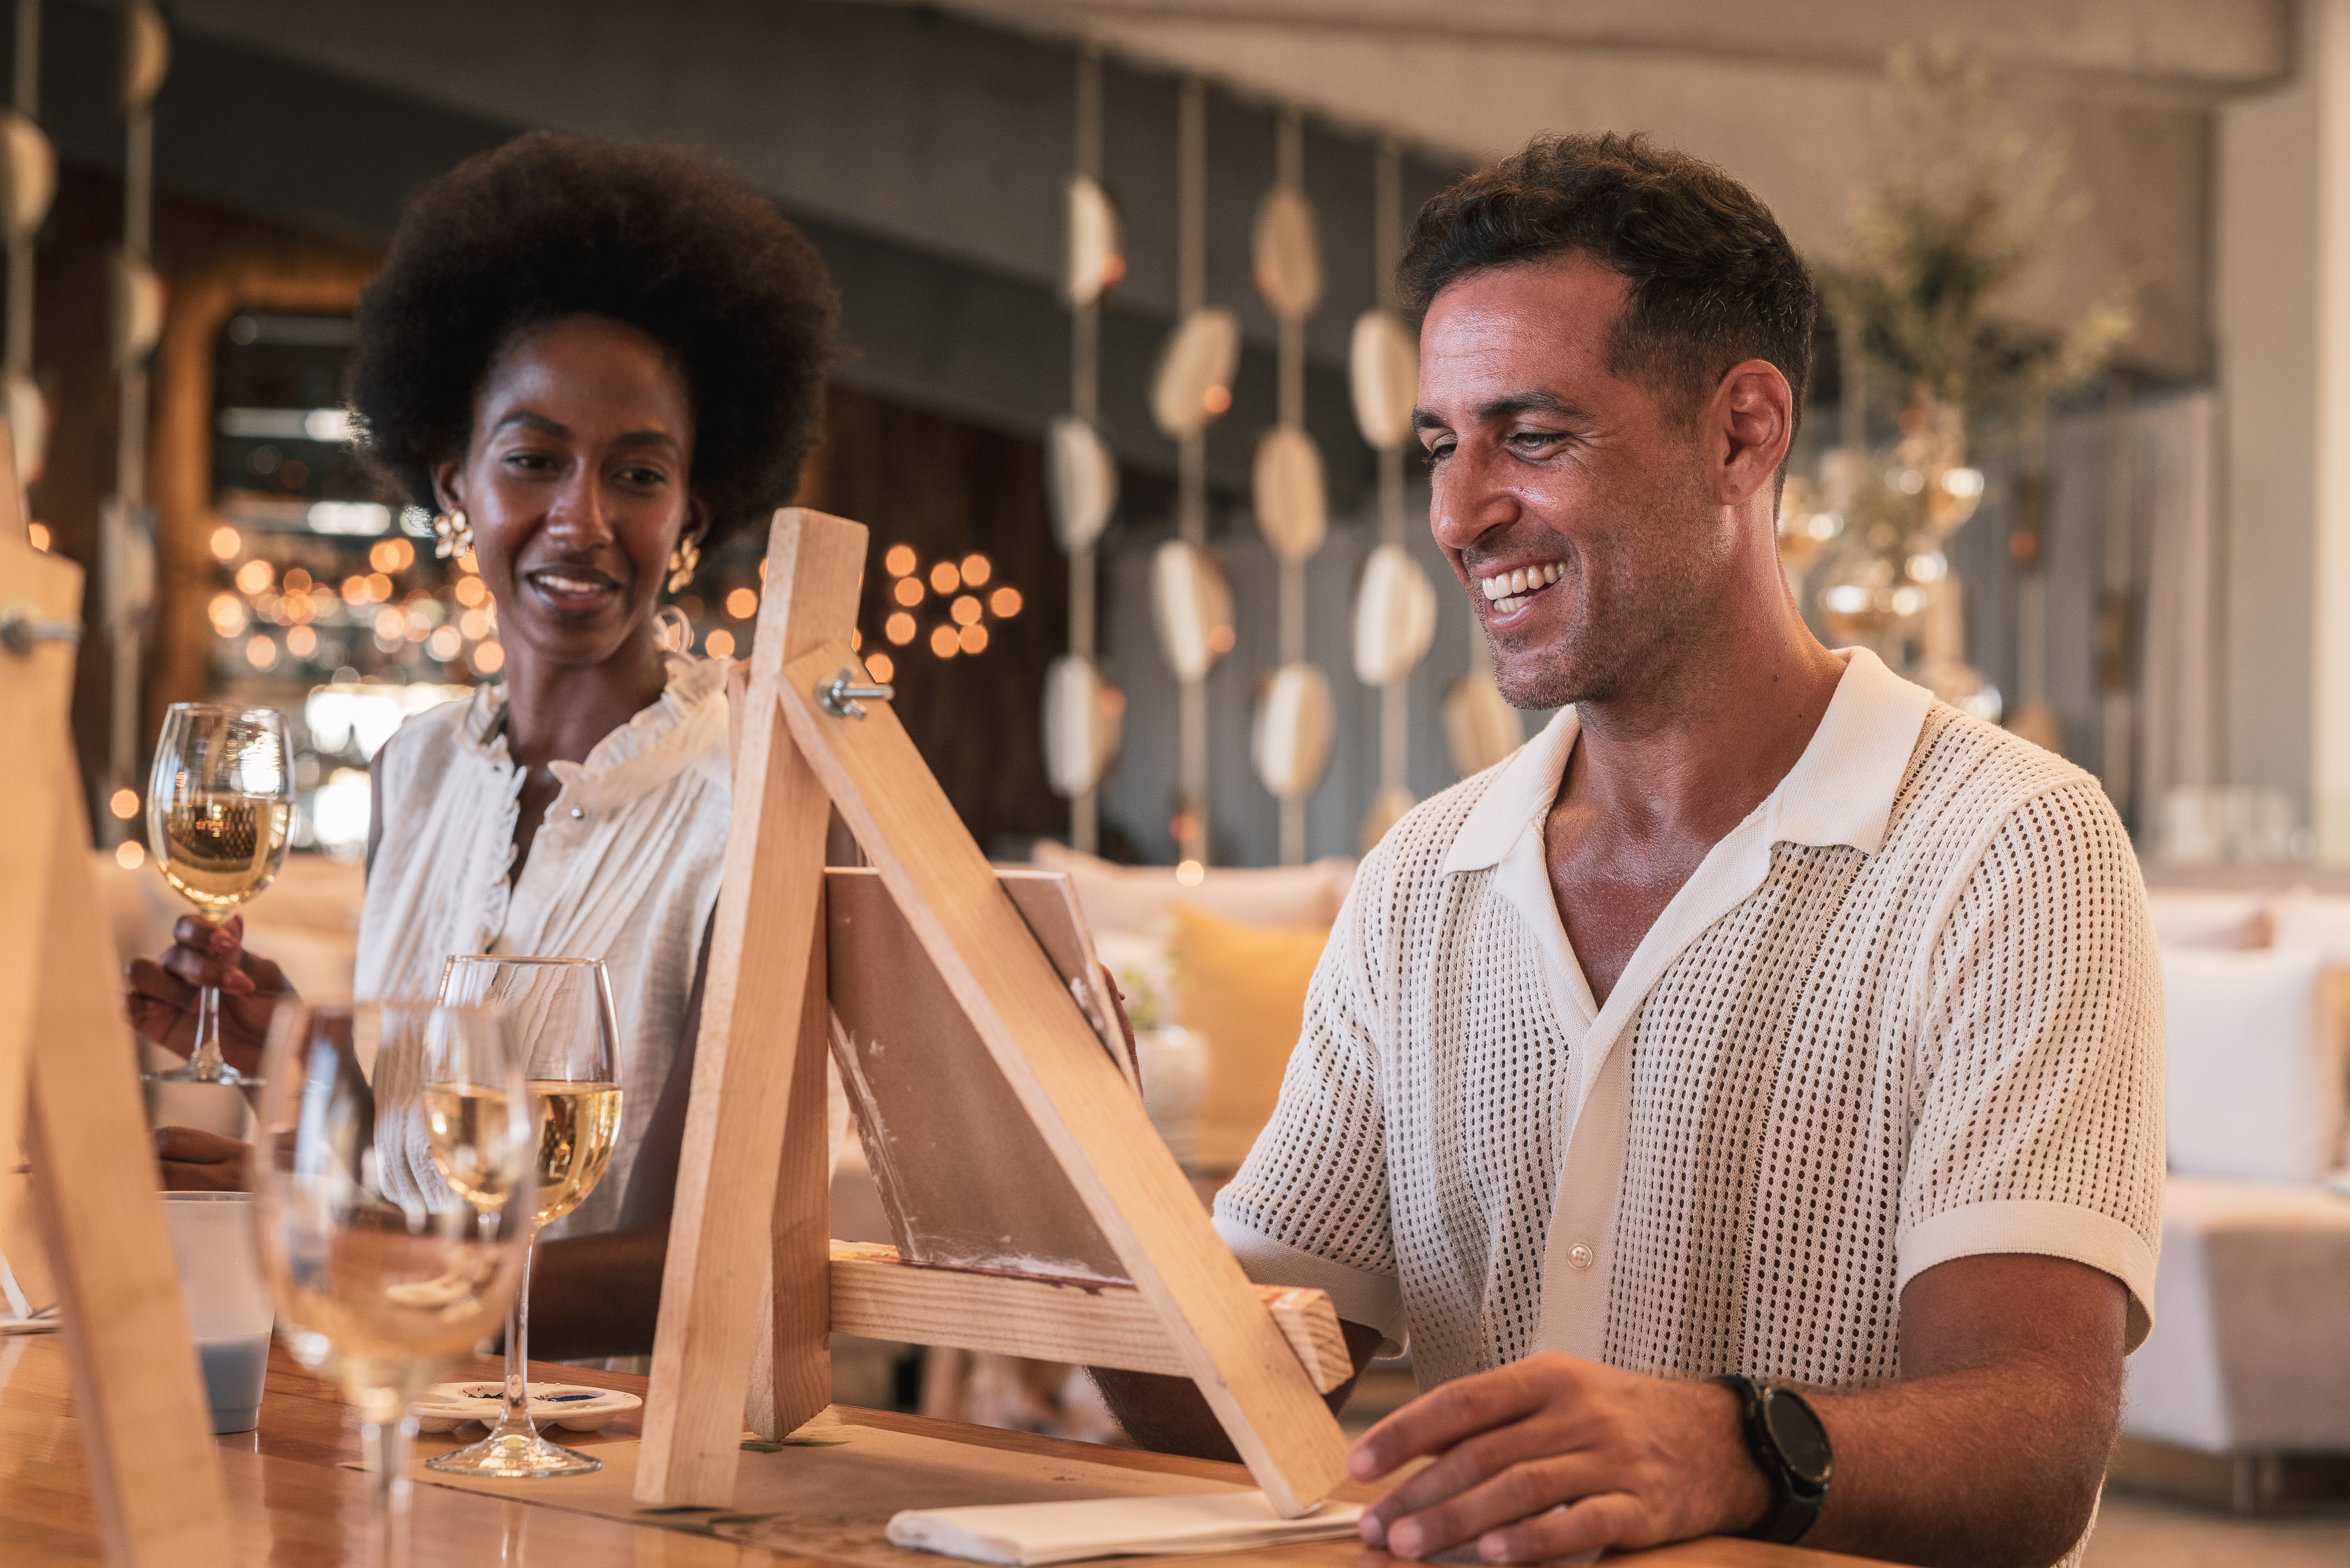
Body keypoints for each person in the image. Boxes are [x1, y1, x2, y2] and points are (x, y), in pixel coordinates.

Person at [1097, 133, 2160, 1568]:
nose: (1458, 514)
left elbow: (2033, 1446)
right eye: (1438, 444)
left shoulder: (2009, 848)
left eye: (1531, 437)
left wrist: (1725, 1450)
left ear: (1742, 433)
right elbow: (1234, 1398)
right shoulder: (1423, 878)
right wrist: (1075, 1180)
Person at [128, 131, 838, 1357]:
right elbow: (430, 1197)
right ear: (455, 487)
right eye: (534, 461)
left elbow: (693, 1275)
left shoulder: (754, 803)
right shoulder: (420, 771)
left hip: (605, 1463)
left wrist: (314, 1242)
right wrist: (304, 1070)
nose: (584, 518)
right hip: (397, 1417)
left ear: (693, 513)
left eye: (639, 473)